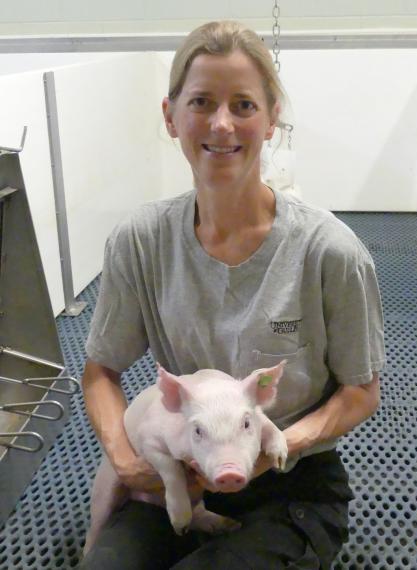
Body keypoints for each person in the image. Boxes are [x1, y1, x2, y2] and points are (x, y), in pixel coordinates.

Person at [79, 20, 386, 570]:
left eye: (244, 105)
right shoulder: (141, 241)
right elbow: (101, 370)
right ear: (171, 117)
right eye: (202, 101)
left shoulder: (331, 253)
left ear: (271, 122)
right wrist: (127, 462)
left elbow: (361, 392)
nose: (222, 124)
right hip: (178, 466)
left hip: (288, 482)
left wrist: (275, 449)